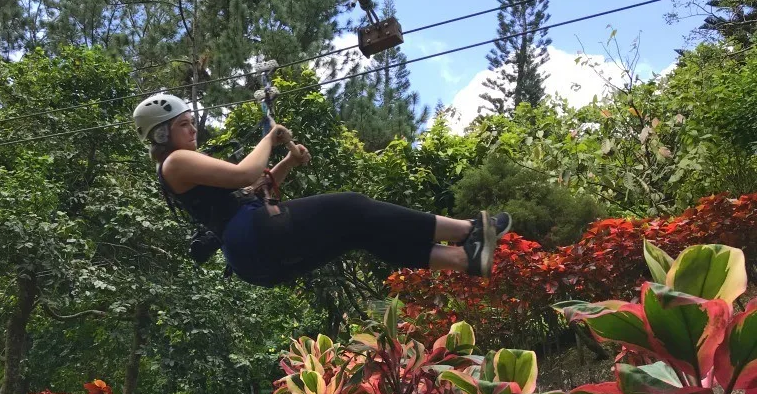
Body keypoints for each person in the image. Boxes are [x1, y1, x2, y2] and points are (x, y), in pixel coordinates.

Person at [133, 94, 511, 287]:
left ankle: (464, 260)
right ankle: (468, 230)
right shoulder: (174, 163)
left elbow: (253, 187)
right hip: (251, 238)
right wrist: (271, 137)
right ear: (164, 134)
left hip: (254, 253)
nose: (193, 131)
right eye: (185, 125)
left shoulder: (183, 166)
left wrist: (289, 162)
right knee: (352, 206)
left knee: (360, 233)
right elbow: (244, 171)